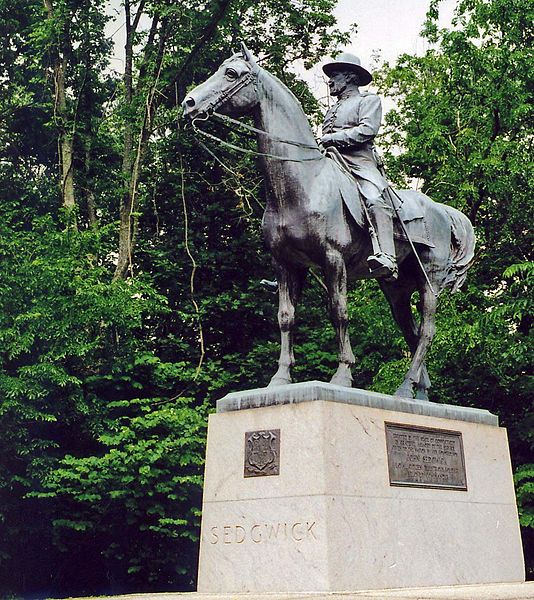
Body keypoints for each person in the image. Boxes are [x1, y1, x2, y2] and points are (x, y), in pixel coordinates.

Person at [320, 53, 398, 280]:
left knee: (374, 198)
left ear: (350, 77)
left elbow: (367, 130)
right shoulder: (332, 109)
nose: (330, 80)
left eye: (335, 75)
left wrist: (333, 139)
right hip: (330, 160)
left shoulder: (368, 101)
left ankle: (387, 256)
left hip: (359, 163)